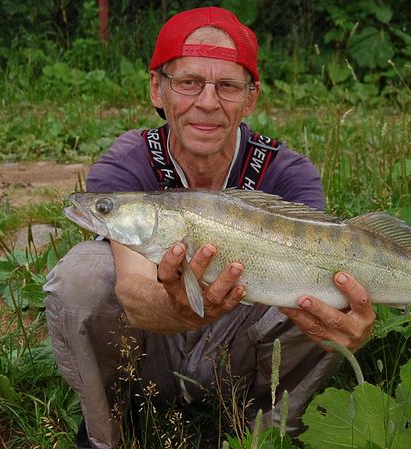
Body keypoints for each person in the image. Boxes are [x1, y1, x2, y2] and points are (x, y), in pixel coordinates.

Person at [44, 6, 375, 449]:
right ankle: (108, 432)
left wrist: (349, 322)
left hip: (242, 358)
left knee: (330, 287)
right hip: (149, 354)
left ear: (250, 98)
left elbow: (331, 296)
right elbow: (133, 292)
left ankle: (271, 436)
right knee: (80, 275)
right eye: (189, 83)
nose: (207, 101)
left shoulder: (288, 174)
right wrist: (180, 306)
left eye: (226, 86)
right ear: (157, 90)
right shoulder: (127, 164)